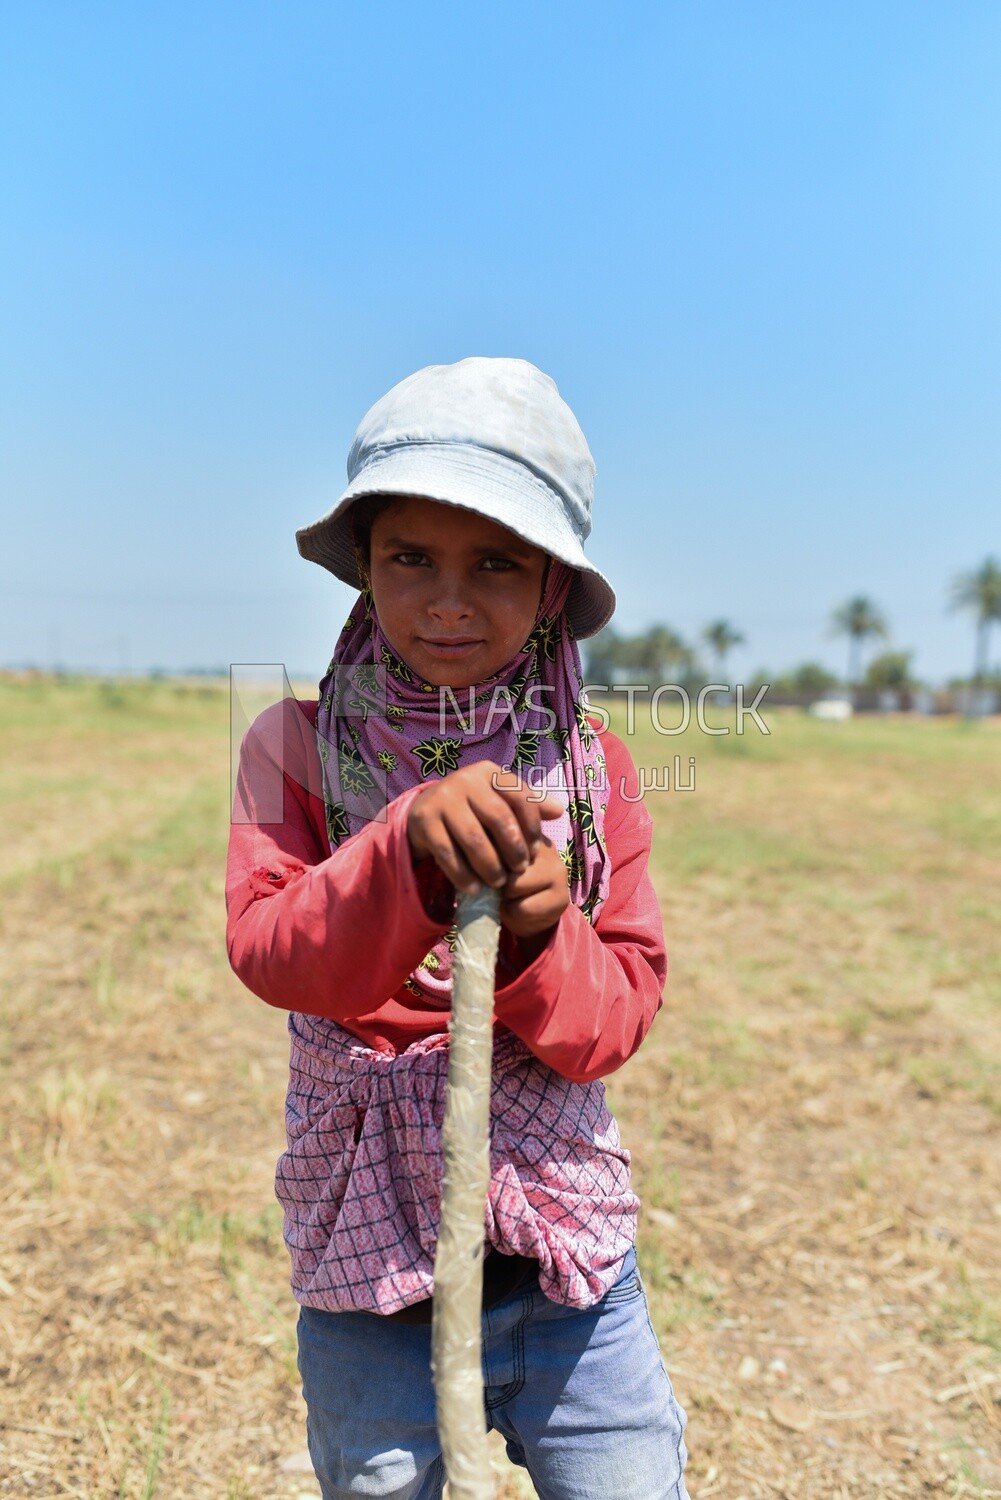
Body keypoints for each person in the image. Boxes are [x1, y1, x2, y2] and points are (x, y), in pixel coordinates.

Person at [225, 357, 689, 1500]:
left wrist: (541, 935)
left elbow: (613, 1018)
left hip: (561, 1266)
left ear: (549, 586)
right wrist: (400, 846)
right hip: (366, 1261)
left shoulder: (592, 773)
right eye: (409, 559)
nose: (446, 600)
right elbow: (274, 952)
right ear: (363, 570)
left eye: (494, 563)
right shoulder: (289, 747)